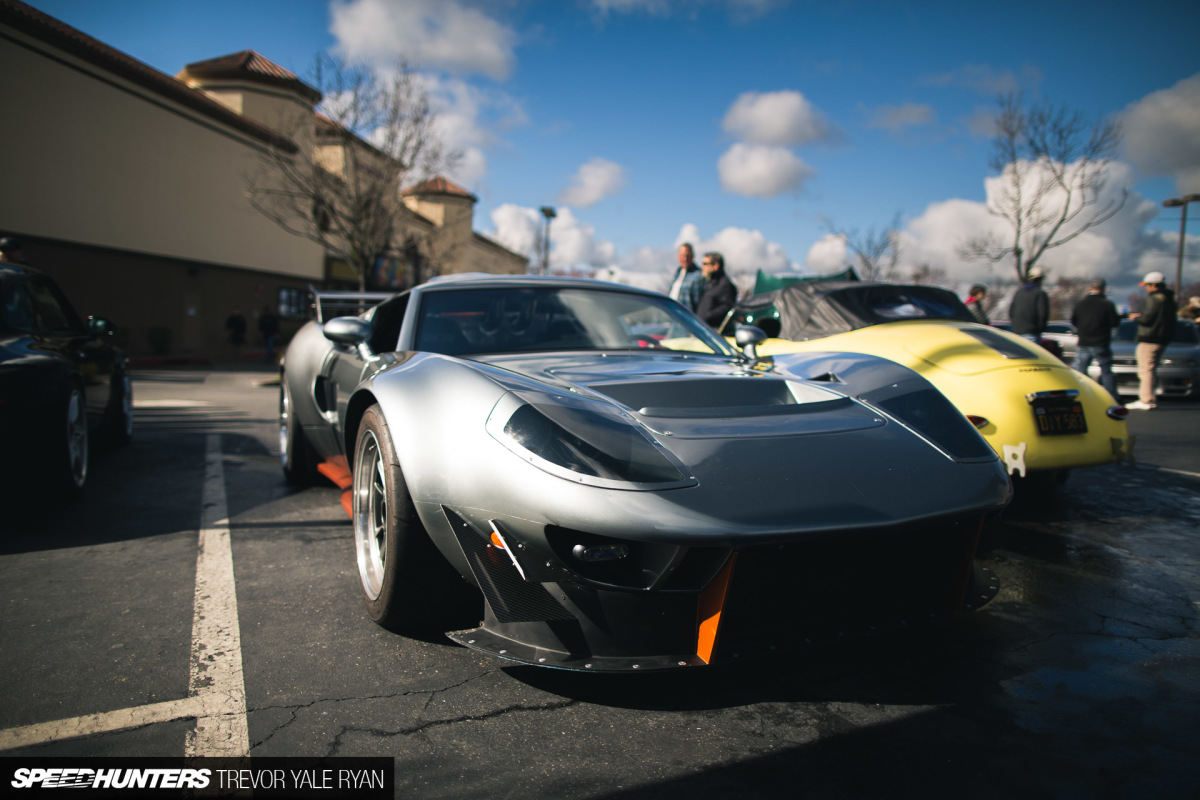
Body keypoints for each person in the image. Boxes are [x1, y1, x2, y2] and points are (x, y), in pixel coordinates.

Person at [1126, 271, 1177, 410]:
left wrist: (1136, 317)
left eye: (1147, 285)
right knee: (1151, 369)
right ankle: (1150, 398)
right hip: (1162, 339)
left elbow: (1147, 319)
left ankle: (1146, 400)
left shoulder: (1154, 299)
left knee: (1145, 370)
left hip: (1150, 338)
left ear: (1154, 285)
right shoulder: (1169, 299)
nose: (1146, 288)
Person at [1070, 278, 1120, 398]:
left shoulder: (1080, 304)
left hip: (1083, 342)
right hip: (1101, 342)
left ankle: (1083, 394)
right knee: (1106, 371)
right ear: (1103, 289)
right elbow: (1115, 323)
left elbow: (1074, 321)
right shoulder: (1107, 304)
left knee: (1081, 371)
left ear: (1089, 288)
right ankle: (1111, 396)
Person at [695, 252, 737, 330]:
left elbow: (727, 307)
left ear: (715, 266)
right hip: (702, 329)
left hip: (715, 333)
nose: (702, 267)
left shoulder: (725, 285)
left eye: (705, 264)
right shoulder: (709, 284)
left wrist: (707, 316)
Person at [1008, 267, 1049, 343]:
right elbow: (1043, 314)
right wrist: (1040, 328)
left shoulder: (1019, 293)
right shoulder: (1040, 294)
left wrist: (1015, 326)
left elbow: (1011, 312)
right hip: (1032, 333)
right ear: (1039, 280)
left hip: (1017, 333)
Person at [667, 243, 704, 312]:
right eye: (682, 256)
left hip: (686, 315)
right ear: (678, 256)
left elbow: (698, 302)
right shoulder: (678, 273)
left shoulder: (698, 275)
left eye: (687, 256)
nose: (685, 259)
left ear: (693, 256)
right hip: (673, 313)